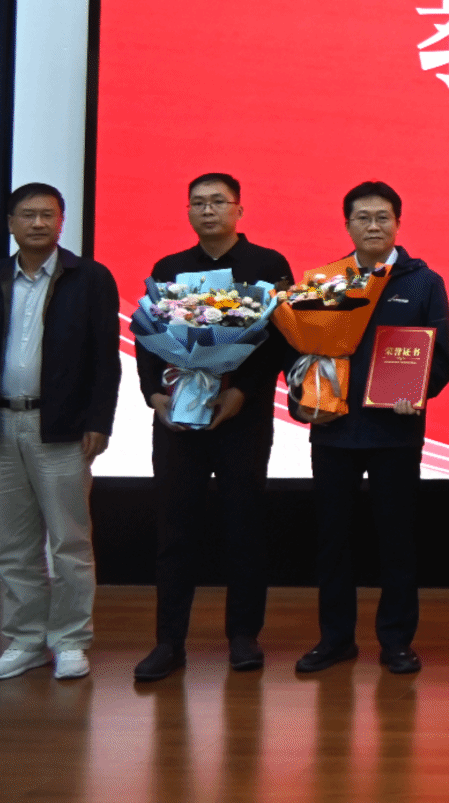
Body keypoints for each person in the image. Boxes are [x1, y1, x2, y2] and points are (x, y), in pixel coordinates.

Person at [0, 183, 121, 682]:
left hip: (61, 427)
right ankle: (25, 640)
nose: (39, 223)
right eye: (28, 215)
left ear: (62, 222)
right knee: (12, 545)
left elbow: (104, 358)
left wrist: (99, 421)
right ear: (11, 223)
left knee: (69, 541)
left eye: (48, 214)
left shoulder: (90, 278)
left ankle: (69, 640)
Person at [132, 173, 296, 683]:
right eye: (198, 203)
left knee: (244, 525)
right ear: (187, 211)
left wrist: (242, 390)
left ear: (238, 209)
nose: (208, 210)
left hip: (241, 417)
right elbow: (148, 334)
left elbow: (280, 340)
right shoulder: (169, 268)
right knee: (174, 528)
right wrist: (154, 394)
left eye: (218, 202)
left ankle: (243, 636)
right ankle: (169, 642)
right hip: (178, 417)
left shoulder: (267, 265)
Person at [295, 181, 449, 676]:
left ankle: (397, 641)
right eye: (362, 218)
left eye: (382, 217)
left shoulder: (423, 282)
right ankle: (335, 639)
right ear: (347, 225)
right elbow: (300, 350)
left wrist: (419, 391)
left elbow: (441, 359)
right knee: (332, 540)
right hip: (335, 430)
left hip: (395, 433)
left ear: (398, 224)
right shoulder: (326, 281)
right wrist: (306, 397)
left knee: (397, 539)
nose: (373, 226)